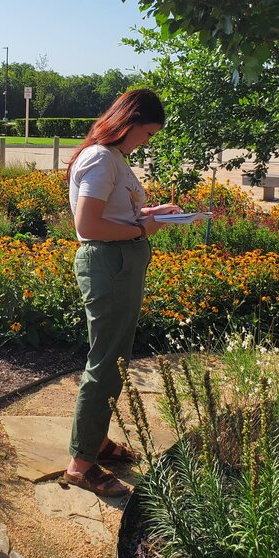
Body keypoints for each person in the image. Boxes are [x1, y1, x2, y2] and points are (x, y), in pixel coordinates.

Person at [61, 89, 181, 496]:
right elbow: (88, 226)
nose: (147, 141)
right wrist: (142, 229)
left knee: (114, 360)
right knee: (105, 363)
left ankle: (93, 442)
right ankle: (80, 465)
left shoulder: (113, 158)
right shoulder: (100, 157)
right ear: (128, 124)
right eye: (147, 133)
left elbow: (109, 212)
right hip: (109, 265)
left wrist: (148, 214)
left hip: (119, 264)